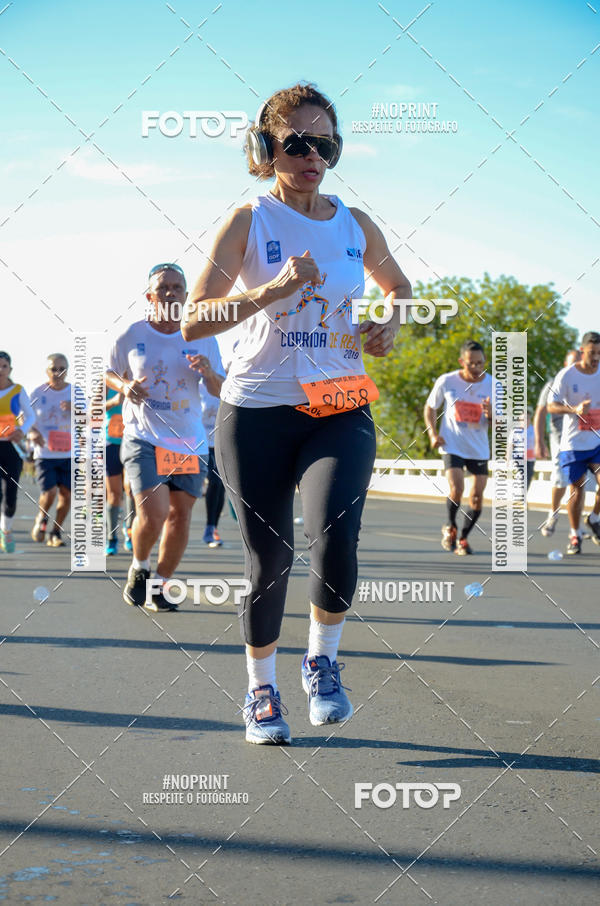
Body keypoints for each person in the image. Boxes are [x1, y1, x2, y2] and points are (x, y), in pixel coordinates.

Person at [181, 82, 411, 744]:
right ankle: (260, 692)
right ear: (266, 149)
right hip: (256, 409)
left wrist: (391, 319)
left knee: (336, 535)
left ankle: (322, 660)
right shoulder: (249, 221)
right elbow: (195, 321)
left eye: (326, 144)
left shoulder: (355, 224)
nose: (314, 156)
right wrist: (276, 287)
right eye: (298, 143)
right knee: (270, 561)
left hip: (340, 404)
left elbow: (399, 286)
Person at [107, 263, 224, 611]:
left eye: (177, 287)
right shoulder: (131, 334)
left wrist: (207, 372)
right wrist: (125, 386)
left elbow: (219, 390)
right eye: (163, 288)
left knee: (180, 517)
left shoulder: (204, 336)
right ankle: (139, 567)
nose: (171, 293)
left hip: (188, 441)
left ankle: (160, 585)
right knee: (154, 512)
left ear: (187, 295)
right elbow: (110, 373)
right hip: (143, 436)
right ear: (150, 296)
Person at [424, 340, 492, 556]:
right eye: (471, 363)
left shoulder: (493, 385)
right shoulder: (447, 381)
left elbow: (499, 424)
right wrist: (433, 434)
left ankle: (463, 537)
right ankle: (450, 526)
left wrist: (491, 414)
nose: (476, 368)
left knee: (477, 497)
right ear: (462, 361)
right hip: (451, 443)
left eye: (480, 363)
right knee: (457, 488)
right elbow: (430, 407)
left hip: (478, 447)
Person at [547, 331, 600, 555]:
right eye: (592, 353)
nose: (596, 357)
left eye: (599, 353)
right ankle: (575, 533)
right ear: (582, 351)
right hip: (573, 444)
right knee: (577, 491)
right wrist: (574, 410)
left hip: (597, 440)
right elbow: (551, 406)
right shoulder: (567, 375)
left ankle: (595, 517)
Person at [534, 349, 581, 536]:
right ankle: (553, 514)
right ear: (565, 365)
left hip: (581, 438)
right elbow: (540, 413)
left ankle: (576, 528)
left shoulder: (588, 384)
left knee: (579, 482)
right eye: (572, 364)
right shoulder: (553, 385)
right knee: (561, 477)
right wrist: (539, 441)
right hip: (559, 437)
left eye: (578, 364)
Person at [29, 354, 72, 548]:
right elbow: (24, 418)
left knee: (67, 495)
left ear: (67, 370)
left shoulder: (75, 392)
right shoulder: (38, 393)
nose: (58, 373)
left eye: (62, 368)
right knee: (50, 492)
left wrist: (76, 410)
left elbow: (91, 419)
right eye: (54, 369)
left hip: (69, 453)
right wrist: (31, 433)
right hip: (45, 452)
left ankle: (55, 532)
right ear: (47, 371)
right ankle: (42, 516)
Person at [0, 352, 35, 552]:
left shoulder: (18, 390)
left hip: (11, 447)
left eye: (4, 366)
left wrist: (22, 431)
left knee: (10, 493)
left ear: (10, 370)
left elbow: (30, 416)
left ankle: (6, 530)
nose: (0, 370)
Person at [104, 386, 135, 555]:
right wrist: (113, 401)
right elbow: (92, 410)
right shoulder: (106, 382)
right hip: (111, 443)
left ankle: (130, 531)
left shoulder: (138, 376)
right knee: (114, 494)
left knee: (130, 489)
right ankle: (112, 538)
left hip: (133, 442)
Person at [201, 390, 225, 548]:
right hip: (198, 444)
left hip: (221, 443)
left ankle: (212, 528)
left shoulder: (227, 382)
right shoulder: (197, 384)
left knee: (217, 483)